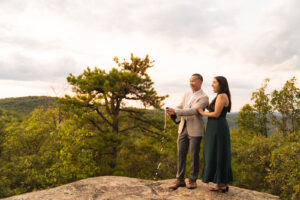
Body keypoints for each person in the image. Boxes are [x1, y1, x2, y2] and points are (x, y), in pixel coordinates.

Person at [166, 74, 209, 190]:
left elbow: (193, 111)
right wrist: (172, 111)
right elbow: (180, 106)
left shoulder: (204, 97)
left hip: (195, 129)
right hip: (182, 128)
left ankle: (192, 180)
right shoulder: (187, 94)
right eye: (190, 81)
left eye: (194, 80)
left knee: (194, 155)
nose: (191, 83)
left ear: (200, 82)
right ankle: (180, 180)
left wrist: (177, 111)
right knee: (180, 154)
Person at [196, 76, 233, 192]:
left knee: (216, 153)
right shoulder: (220, 96)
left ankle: (220, 184)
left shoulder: (222, 96)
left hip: (217, 129)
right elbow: (214, 110)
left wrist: (201, 112)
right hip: (216, 128)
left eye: (214, 83)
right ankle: (223, 183)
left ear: (221, 84)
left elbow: (216, 114)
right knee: (219, 153)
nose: (212, 85)